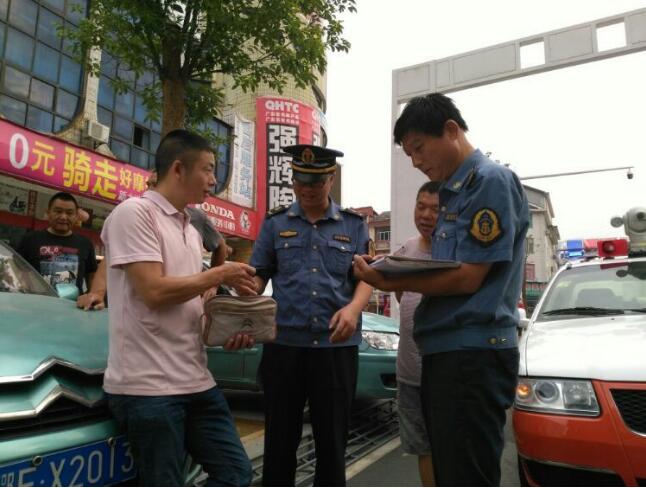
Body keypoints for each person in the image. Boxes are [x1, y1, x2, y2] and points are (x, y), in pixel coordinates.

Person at [353, 93, 529, 486]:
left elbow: (468, 277)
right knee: (449, 469)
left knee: (466, 474)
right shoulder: (453, 192)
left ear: (450, 130)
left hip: (472, 354)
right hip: (448, 353)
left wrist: (393, 280)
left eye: (419, 148)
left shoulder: (488, 181)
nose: (416, 161)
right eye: (408, 154)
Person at [101, 129, 257, 486]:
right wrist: (219, 274)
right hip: (149, 389)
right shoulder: (134, 213)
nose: (214, 180)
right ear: (177, 169)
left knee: (236, 474)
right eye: (208, 169)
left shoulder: (190, 228)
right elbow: (153, 292)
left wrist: (227, 331)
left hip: (196, 381)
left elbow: (190, 308)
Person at [250, 144, 373, 487]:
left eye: (316, 182)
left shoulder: (354, 225)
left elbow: (367, 278)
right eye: (300, 181)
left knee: (332, 444)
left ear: (330, 179)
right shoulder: (275, 223)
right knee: (279, 443)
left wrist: (353, 309)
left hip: (335, 350)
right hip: (284, 347)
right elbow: (258, 275)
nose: (307, 189)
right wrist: (244, 289)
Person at [77, 171, 227, 311]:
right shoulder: (136, 214)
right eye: (148, 184)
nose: (150, 189)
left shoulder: (195, 218)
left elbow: (220, 246)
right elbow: (112, 256)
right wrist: (97, 292)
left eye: (155, 184)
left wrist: (212, 285)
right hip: (140, 312)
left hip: (183, 311)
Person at [393, 180, 441, 487]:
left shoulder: (453, 251)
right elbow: (400, 295)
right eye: (420, 207)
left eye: (435, 209)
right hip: (409, 374)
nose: (425, 215)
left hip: (444, 375)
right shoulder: (406, 250)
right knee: (423, 448)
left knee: (449, 446)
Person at [16, 192, 98, 297]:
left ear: (76, 216)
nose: (63, 217)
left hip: (73, 306)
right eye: (58, 211)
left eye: (69, 213)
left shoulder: (85, 244)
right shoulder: (30, 239)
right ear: (48, 212)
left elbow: (92, 275)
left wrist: (92, 297)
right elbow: (17, 270)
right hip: (36, 304)